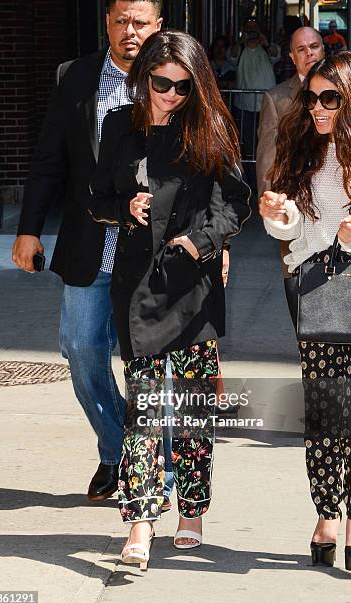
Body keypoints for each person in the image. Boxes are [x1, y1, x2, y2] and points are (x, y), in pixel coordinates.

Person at [89, 29, 251, 569]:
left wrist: (201, 240)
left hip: (194, 287)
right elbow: (97, 198)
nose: (172, 96)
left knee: (190, 414)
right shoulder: (118, 127)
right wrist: (124, 206)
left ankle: (192, 512)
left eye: (184, 87)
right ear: (144, 76)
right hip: (137, 287)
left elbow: (234, 203)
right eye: (162, 83)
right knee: (144, 411)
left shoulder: (209, 128)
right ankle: (140, 519)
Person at [11, 0, 169, 504]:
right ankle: (117, 449)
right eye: (121, 20)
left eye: (140, 22)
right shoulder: (74, 76)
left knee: (151, 363)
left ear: (158, 26)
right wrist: (28, 229)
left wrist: (216, 242)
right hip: (89, 244)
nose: (130, 31)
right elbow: (49, 158)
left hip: (150, 249)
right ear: (107, 22)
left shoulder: (173, 76)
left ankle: (155, 469)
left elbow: (205, 162)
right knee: (82, 351)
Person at [259, 52, 351, 572]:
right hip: (317, 289)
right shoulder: (301, 147)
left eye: (330, 98)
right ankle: (327, 513)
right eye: (312, 98)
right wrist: (280, 217)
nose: (318, 109)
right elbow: (292, 233)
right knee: (327, 411)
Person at [257, 27, 324, 275]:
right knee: (297, 290)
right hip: (294, 208)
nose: (309, 53)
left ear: (324, 50)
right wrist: (271, 205)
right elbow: (267, 156)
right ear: (292, 57)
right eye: (301, 49)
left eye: (314, 46)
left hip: (335, 207)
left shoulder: (345, 92)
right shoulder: (276, 99)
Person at [232, 17, 276, 191]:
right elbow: (232, 55)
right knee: (248, 145)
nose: (252, 34)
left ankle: (267, 182)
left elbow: (276, 54)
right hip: (245, 104)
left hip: (267, 105)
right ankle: (251, 182)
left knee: (268, 143)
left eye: (255, 30)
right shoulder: (240, 48)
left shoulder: (266, 48)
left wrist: (265, 42)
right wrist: (241, 41)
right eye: (249, 30)